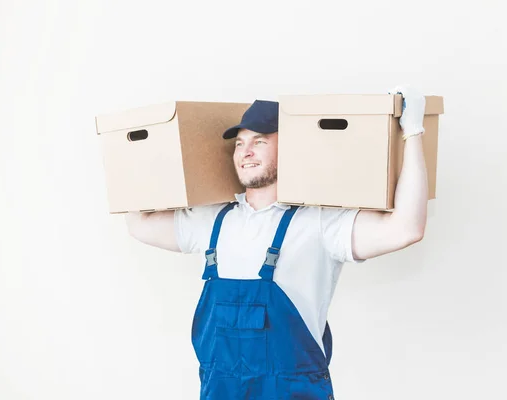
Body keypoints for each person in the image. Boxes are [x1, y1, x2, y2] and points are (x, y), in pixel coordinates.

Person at [125, 85, 429, 399]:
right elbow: (138, 223)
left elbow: (405, 228)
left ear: (290, 149)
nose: (246, 152)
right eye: (240, 143)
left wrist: (413, 133)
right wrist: (135, 150)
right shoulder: (211, 220)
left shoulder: (319, 222)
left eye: (260, 141)